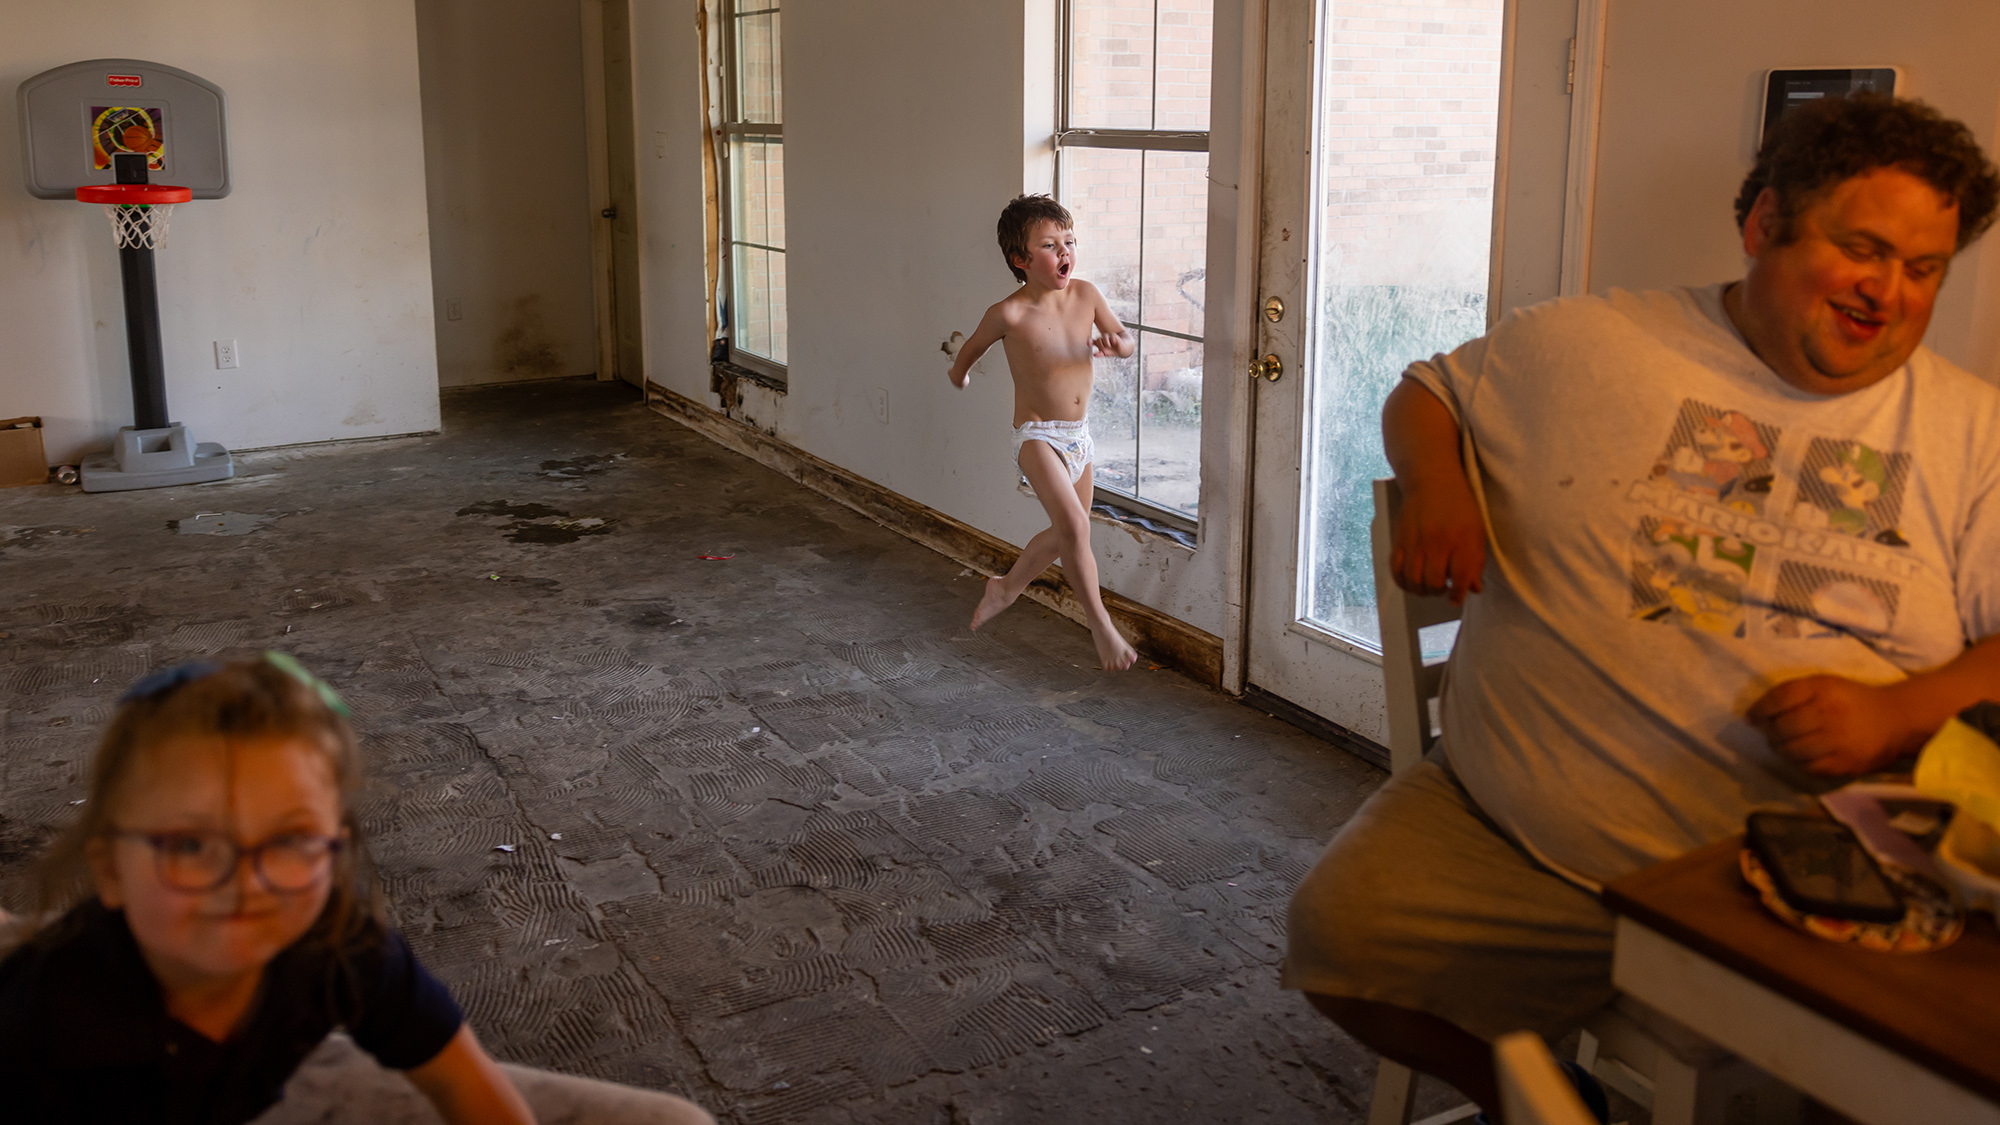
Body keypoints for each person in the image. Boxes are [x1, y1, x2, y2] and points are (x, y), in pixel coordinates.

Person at [1284, 93, 2000, 1117]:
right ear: (1760, 226)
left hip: (1791, 892)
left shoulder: (1971, 438)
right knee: (1330, 938)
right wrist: (1436, 487)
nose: (1884, 292)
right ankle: (1540, 1099)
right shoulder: (1584, 347)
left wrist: (1893, 713)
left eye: (1921, 268)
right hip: (1511, 833)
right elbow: (1425, 392)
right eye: (1859, 248)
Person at [0, 654, 537, 1124]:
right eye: (190, 845)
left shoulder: (340, 949)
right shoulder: (39, 1026)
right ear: (111, 872)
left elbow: (460, 1079)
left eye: (289, 839)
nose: (247, 884)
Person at [948, 193, 1140, 672]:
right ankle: (1101, 626)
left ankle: (1006, 588)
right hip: (1037, 437)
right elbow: (969, 352)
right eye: (1050, 245)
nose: (1065, 253)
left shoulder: (1087, 296)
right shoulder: (1008, 314)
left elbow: (1126, 340)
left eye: (1069, 241)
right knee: (1076, 528)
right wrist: (960, 375)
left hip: (1079, 437)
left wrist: (1119, 345)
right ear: (1021, 259)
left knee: (1064, 535)